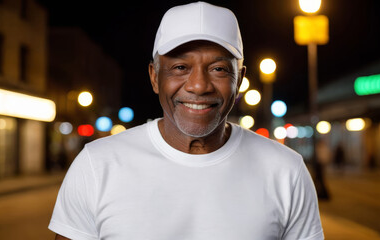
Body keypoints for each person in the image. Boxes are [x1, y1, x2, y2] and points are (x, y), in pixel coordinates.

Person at [49, 2, 324, 240]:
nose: (199, 85)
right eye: (180, 67)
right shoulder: (97, 165)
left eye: (218, 69)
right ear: (155, 77)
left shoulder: (287, 171)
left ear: (239, 80)